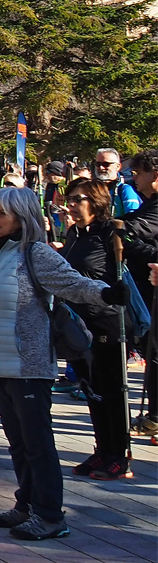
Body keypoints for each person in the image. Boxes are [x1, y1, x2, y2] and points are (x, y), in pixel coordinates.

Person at [0, 186, 128, 539]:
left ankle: (50, 516)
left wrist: (105, 293)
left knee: (37, 442)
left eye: (2, 213)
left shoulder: (35, 253)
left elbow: (72, 283)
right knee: (18, 442)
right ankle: (26, 504)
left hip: (27, 362)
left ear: (22, 218)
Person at [58, 179, 132, 479]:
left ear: (96, 202)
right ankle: (101, 449)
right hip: (78, 324)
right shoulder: (75, 233)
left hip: (107, 321)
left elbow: (131, 262)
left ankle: (119, 454)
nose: (71, 204)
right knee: (92, 390)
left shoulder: (110, 232)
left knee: (112, 389)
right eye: (69, 198)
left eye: (77, 198)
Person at [120, 150, 158, 439]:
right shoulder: (149, 204)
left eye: (139, 172)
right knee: (150, 348)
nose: (134, 177)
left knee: (154, 351)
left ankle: (156, 416)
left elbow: (134, 229)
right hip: (146, 288)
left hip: (153, 286)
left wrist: (132, 245)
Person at [94, 148, 142, 218]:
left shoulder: (125, 190)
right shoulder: (91, 190)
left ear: (118, 166)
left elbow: (133, 219)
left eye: (106, 164)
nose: (101, 167)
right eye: (98, 164)